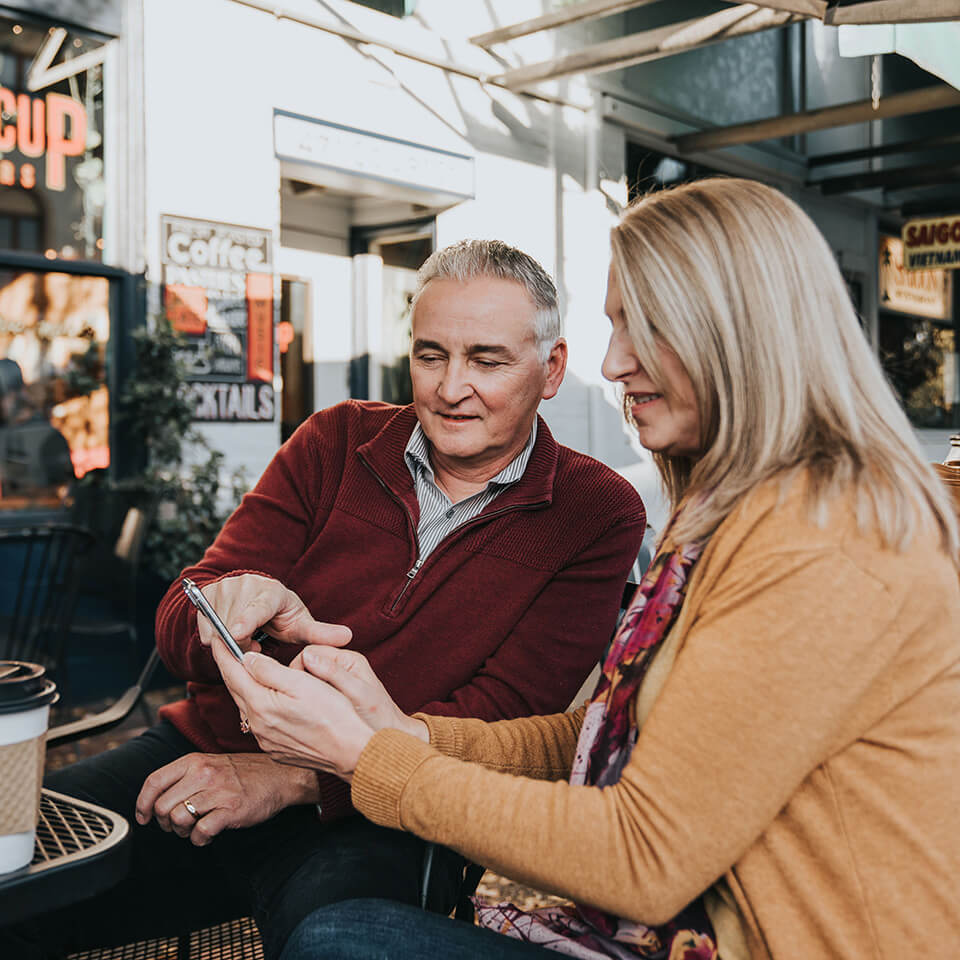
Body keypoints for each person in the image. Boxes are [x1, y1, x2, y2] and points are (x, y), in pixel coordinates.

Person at [211, 179, 960, 960]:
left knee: (341, 942)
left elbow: (643, 858)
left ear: (747, 334)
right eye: (613, 326)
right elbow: (608, 727)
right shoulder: (733, 511)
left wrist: (370, 760)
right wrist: (413, 734)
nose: (614, 363)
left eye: (645, 327)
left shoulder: (824, 544)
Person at [8, 240, 645, 960]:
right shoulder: (338, 439)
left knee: (334, 943)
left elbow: (501, 716)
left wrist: (292, 778)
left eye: (487, 360)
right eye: (431, 354)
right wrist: (218, 611)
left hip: (378, 812)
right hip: (204, 750)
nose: (449, 386)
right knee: (11, 869)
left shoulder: (596, 511)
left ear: (551, 368)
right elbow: (177, 624)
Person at [0, 357, 74, 499]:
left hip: (40, 516)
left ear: (13, 395)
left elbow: (66, 494)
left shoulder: (48, 437)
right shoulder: (6, 433)